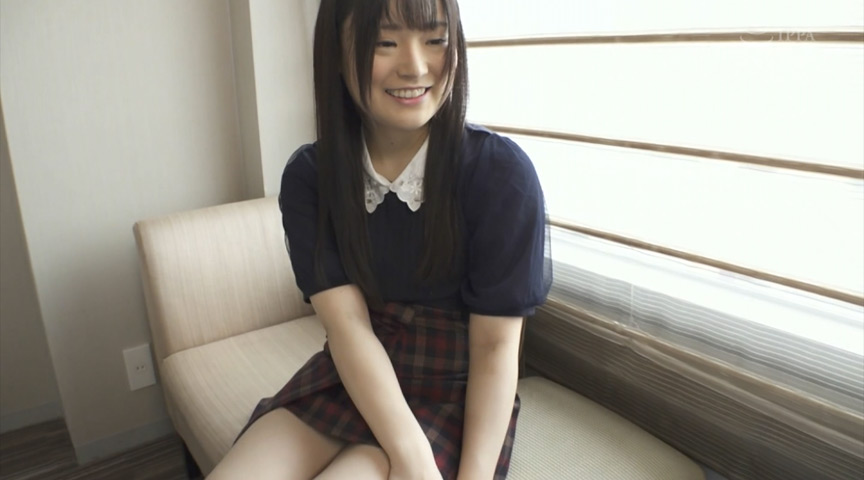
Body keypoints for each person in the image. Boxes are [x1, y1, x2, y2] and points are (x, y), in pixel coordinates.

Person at [207, 0, 550, 478]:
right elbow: (347, 327)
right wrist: (410, 455)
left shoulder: (500, 175)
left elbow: (495, 349)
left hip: (454, 392)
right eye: (385, 42)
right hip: (355, 374)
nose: (415, 66)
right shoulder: (311, 177)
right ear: (336, 51)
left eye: (436, 39)